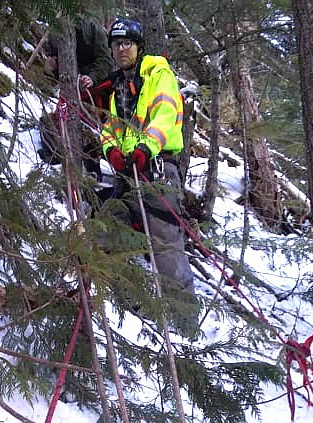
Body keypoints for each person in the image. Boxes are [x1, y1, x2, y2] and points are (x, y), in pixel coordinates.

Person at [99, 18, 198, 333]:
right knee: (107, 228)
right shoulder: (118, 87)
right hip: (129, 173)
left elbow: (165, 115)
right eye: (116, 44)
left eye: (126, 43)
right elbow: (111, 129)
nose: (121, 49)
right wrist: (111, 151)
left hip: (157, 170)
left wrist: (145, 149)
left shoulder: (159, 75)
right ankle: (134, 304)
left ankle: (185, 325)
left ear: (138, 46)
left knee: (166, 245)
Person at [38, 15, 113, 171]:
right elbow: (56, 67)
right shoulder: (54, 29)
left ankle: (93, 169)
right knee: (49, 123)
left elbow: (105, 61)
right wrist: (50, 69)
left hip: (96, 93)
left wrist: (92, 78)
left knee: (90, 130)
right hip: (70, 92)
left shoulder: (92, 26)